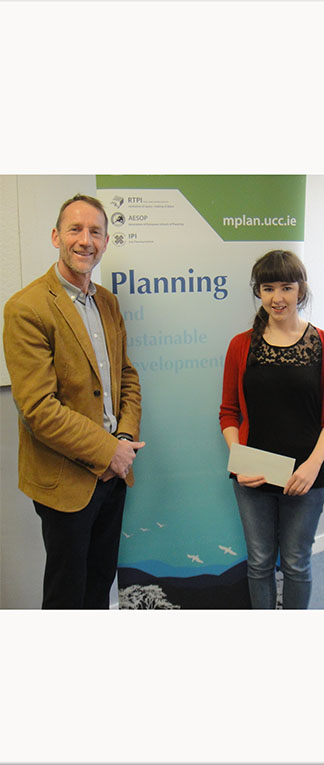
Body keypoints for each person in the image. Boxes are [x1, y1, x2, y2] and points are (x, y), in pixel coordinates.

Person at [3, 194, 144, 609]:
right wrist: (109, 451)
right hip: (66, 480)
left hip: (114, 474)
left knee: (100, 585)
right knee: (66, 596)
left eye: (96, 232)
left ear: (106, 241)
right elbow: (38, 409)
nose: (86, 240)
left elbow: (127, 377)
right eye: (75, 230)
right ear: (56, 237)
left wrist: (124, 439)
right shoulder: (26, 308)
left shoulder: (108, 302)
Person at [219, 250, 324, 609]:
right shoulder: (241, 346)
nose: (277, 297)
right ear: (258, 291)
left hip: (306, 476)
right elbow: (228, 413)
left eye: (286, 287)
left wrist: (312, 466)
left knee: (296, 563)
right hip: (253, 476)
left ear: (301, 290)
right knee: (259, 563)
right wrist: (239, 461)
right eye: (268, 288)